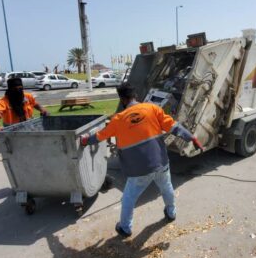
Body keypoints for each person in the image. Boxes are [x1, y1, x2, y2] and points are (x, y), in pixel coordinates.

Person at [80, 82, 204, 238]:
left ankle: (125, 228)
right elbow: (175, 127)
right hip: (160, 163)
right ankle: (171, 213)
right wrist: (192, 137)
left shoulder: (118, 120)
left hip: (139, 171)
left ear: (122, 99)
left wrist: (85, 141)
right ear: (135, 96)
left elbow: (100, 136)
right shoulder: (152, 109)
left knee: (129, 198)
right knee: (166, 188)